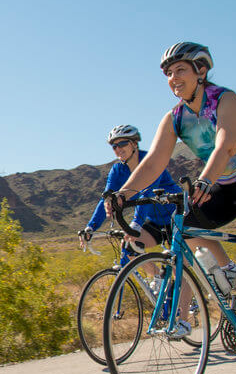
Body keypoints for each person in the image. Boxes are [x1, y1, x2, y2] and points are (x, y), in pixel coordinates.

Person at [109, 42, 236, 369]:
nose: (173, 77)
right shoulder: (175, 117)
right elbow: (152, 164)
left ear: (200, 71)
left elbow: (227, 143)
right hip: (227, 185)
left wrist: (205, 179)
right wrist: (123, 193)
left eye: (180, 70)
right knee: (185, 224)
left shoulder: (225, 99)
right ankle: (229, 273)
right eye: (168, 73)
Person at [79, 125, 193, 338]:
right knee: (130, 247)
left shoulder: (150, 161)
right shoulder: (118, 170)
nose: (118, 149)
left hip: (174, 215)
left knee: (179, 269)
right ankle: (158, 278)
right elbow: (107, 200)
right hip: (155, 220)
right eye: (114, 146)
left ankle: (183, 321)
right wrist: (90, 228)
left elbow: (146, 194)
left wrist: (136, 225)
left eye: (122, 143)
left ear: (134, 144)